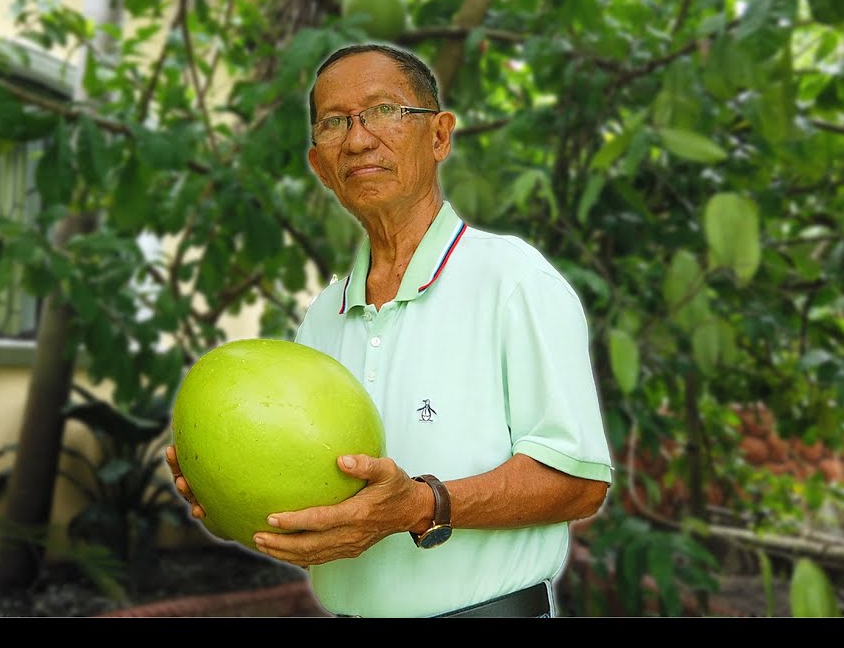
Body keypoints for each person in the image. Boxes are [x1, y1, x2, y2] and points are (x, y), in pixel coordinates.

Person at [165, 43, 614, 618]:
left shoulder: (512, 279)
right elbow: (324, 509)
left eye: (384, 111)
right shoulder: (325, 315)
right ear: (319, 165)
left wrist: (421, 505)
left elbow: (579, 482)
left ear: (440, 136)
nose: (356, 139)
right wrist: (240, 503)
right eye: (334, 123)